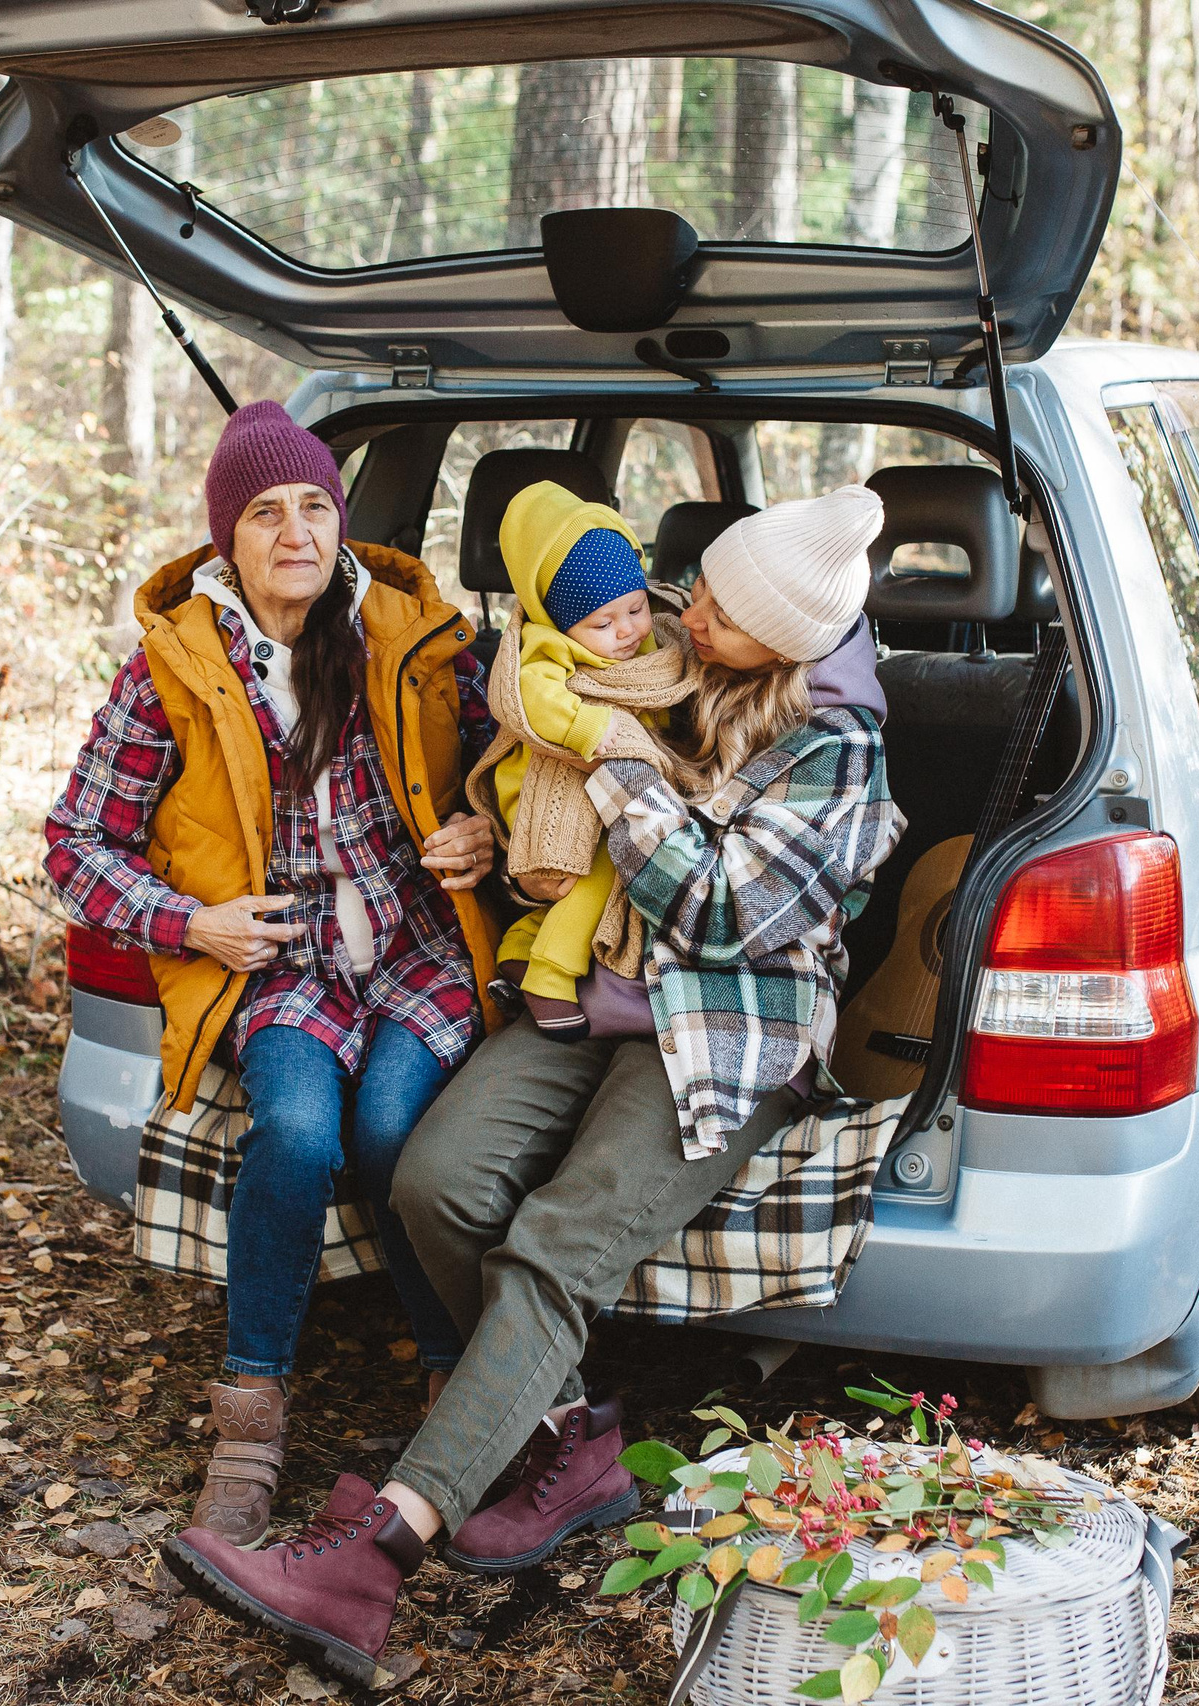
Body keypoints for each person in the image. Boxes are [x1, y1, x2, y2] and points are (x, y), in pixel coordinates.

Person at [163, 485, 906, 1683]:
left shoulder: (839, 751)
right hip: (584, 993)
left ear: (780, 640)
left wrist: (615, 761)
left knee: (556, 1243)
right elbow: (535, 780)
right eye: (696, 589)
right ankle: (576, 1443)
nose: (686, 609)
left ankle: (376, 1553)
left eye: (719, 608)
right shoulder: (660, 651)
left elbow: (718, 914)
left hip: (722, 1026)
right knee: (436, 1178)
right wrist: (494, 826)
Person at [42, 400, 500, 1550]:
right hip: (286, 958)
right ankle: (247, 1430)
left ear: (338, 518)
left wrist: (484, 827)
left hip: (417, 946)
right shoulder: (174, 670)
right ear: (225, 538)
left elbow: (511, 763)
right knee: (294, 1132)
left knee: (394, 1132)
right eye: (264, 512)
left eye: (312, 505)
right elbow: (76, 844)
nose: (296, 532)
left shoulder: (414, 633)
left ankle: (454, 1388)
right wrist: (193, 921)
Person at [473, 481, 695, 1040]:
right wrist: (589, 725)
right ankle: (551, 974)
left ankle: (521, 947)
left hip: (609, 778)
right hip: (548, 784)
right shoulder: (544, 646)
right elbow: (532, 697)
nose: (627, 630)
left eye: (636, 608)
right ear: (560, 622)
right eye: (601, 623)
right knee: (608, 864)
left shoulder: (651, 640)